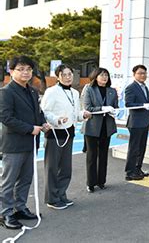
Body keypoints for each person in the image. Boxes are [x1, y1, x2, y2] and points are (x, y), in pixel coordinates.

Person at [0, 56, 49, 229]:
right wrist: (30, 128)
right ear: (11, 71)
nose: (25, 72)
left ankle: (19, 208)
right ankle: (5, 213)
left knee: (25, 179)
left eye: (28, 69)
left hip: (30, 143)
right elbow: (6, 118)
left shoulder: (33, 90)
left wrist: (42, 122)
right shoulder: (6, 92)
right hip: (13, 145)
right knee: (8, 181)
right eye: (21, 69)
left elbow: (38, 112)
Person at [41, 64, 91, 209]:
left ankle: (61, 195)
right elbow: (45, 112)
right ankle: (52, 199)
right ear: (58, 76)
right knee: (52, 168)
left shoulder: (75, 93)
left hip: (69, 133)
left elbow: (76, 113)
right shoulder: (51, 91)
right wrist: (56, 119)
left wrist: (83, 115)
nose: (68, 77)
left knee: (65, 168)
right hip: (55, 134)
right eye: (65, 74)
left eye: (70, 74)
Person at [82, 68, 118, 193]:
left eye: (106, 75)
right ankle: (91, 183)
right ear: (95, 76)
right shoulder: (89, 89)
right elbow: (88, 108)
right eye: (102, 75)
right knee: (92, 156)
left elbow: (115, 107)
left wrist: (114, 112)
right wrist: (103, 108)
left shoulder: (112, 91)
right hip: (92, 126)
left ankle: (101, 181)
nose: (104, 77)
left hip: (106, 127)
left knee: (103, 155)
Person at [124, 65, 149, 181]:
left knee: (142, 147)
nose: (143, 75)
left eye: (144, 73)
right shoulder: (131, 87)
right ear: (134, 74)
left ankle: (138, 168)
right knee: (134, 148)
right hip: (135, 122)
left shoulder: (145, 87)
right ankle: (130, 172)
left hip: (144, 122)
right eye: (140, 73)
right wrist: (143, 105)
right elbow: (128, 104)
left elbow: (147, 102)